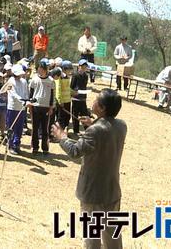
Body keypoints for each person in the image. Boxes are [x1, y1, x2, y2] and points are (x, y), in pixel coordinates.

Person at [51, 88, 126, 249]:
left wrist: (62, 137)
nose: (93, 101)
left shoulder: (95, 131)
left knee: (92, 238)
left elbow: (75, 151)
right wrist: (94, 123)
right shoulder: (121, 126)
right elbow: (106, 132)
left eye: (96, 100)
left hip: (93, 194)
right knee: (112, 236)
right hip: (112, 191)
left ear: (102, 108)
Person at [28, 59, 55, 155]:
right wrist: (30, 105)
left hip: (46, 107)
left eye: (43, 69)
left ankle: (45, 148)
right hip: (35, 106)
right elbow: (30, 94)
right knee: (35, 128)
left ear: (46, 69)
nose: (41, 70)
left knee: (45, 129)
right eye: (39, 69)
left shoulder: (51, 81)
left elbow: (52, 95)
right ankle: (35, 147)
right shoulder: (34, 79)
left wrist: (51, 107)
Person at [5, 65, 29, 155]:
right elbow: (13, 93)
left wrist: (26, 100)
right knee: (11, 127)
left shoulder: (24, 81)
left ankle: (17, 144)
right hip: (12, 107)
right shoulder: (10, 81)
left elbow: (26, 92)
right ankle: (10, 144)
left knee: (19, 127)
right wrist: (21, 100)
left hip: (22, 108)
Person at [71, 59, 90, 134]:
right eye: (82, 66)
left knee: (84, 114)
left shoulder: (86, 75)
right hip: (76, 98)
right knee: (75, 114)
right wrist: (74, 92)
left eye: (85, 66)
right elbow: (72, 86)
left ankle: (87, 129)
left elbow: (84, 85)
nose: (84, 68)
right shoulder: (75, 75)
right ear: (79, 66)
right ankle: (76, 130)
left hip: (83, 98)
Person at [56, 61, 73, 131]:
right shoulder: (60, 77)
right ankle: (59, 133)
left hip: (68, 100)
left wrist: (73, 92)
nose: (70, 71)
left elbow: (67, 88)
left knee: (67, 117)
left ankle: (64, 131)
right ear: (64, 69)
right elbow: (58, 90)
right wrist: (60, 101)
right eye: (69, 69)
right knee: (61, 118)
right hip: (62, 101)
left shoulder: (67, 77)